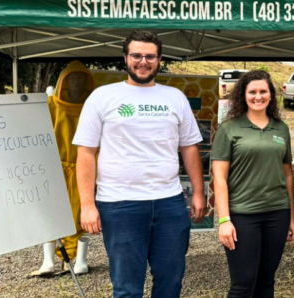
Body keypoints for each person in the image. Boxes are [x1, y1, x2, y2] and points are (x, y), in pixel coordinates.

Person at [73, 30, 207, 298]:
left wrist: (200, 192)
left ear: (159, 60)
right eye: (137, 55)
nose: (143, 61)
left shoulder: (175, 97)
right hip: (120, 205)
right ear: (126, 58)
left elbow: (189, 147)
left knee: (171, 284)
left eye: (150, 56)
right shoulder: (102, 97)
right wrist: (87, 205)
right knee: (126, 288)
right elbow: (86, 153)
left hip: (169, 202)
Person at [212, 70, 294, 298]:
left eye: (263, 91)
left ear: (271, 95)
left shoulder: (281, 128)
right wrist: (224, 220)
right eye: (252, 92)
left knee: (266, 282)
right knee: (243, 285)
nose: (258, 96)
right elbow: (219, 177)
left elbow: (288, 174)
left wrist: (292, 217)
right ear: (243, 95)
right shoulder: (229, 128)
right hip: (242, 215)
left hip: (277, 214)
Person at [34, 61, 95, 276]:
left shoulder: (93, 106)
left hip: (83, 168)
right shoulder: (50, 105)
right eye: (72, 78)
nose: (76, 81)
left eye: (80, 78)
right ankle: (48, 260)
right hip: (54, 168)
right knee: (52, 213)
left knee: (82, 214)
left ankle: (80, 260)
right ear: (65, 81)